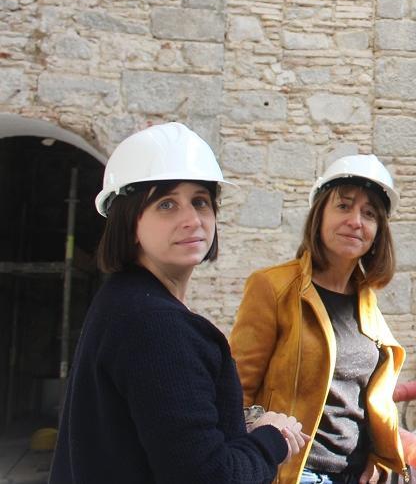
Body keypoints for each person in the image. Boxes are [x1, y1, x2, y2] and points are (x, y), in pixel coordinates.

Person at [50, 122, 307, 483]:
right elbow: (210, 477)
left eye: (200, 201)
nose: (191, 220)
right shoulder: (155, 326)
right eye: (167, 204)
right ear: (130, 221)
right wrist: (272, 438)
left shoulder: (122, 301)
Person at [231, 154, 409, 484]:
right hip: (295, 472)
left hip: (355, 475)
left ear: (378, 231)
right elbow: (235, 392)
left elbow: (365, 400)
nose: (356, 220)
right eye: (343, 206)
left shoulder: (366, 302)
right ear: (319, 215)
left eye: (369, 214)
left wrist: (379, 458)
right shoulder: (273, 287)